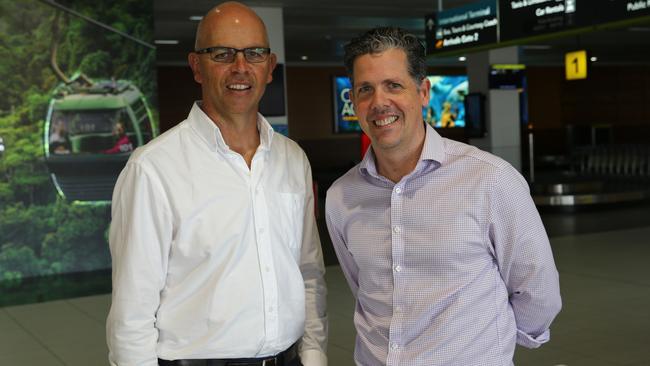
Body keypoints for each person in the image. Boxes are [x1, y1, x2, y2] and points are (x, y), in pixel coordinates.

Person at [106, 2, 327, 365]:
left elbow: (308, 272)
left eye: (254, 54)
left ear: (270, 67)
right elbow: (133, 312)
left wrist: (315, 354)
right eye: (222, 54)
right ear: (197, 66)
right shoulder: (153, 169)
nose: (240, 68)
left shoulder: (292, 159)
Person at [325, 27, 561, 366]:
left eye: (393, 85)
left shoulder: (490, 180)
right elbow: (362, 289)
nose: (379, 103)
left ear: (423, 92)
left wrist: (489, 348)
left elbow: (538, 293)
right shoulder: (342, 197)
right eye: (365, 90)